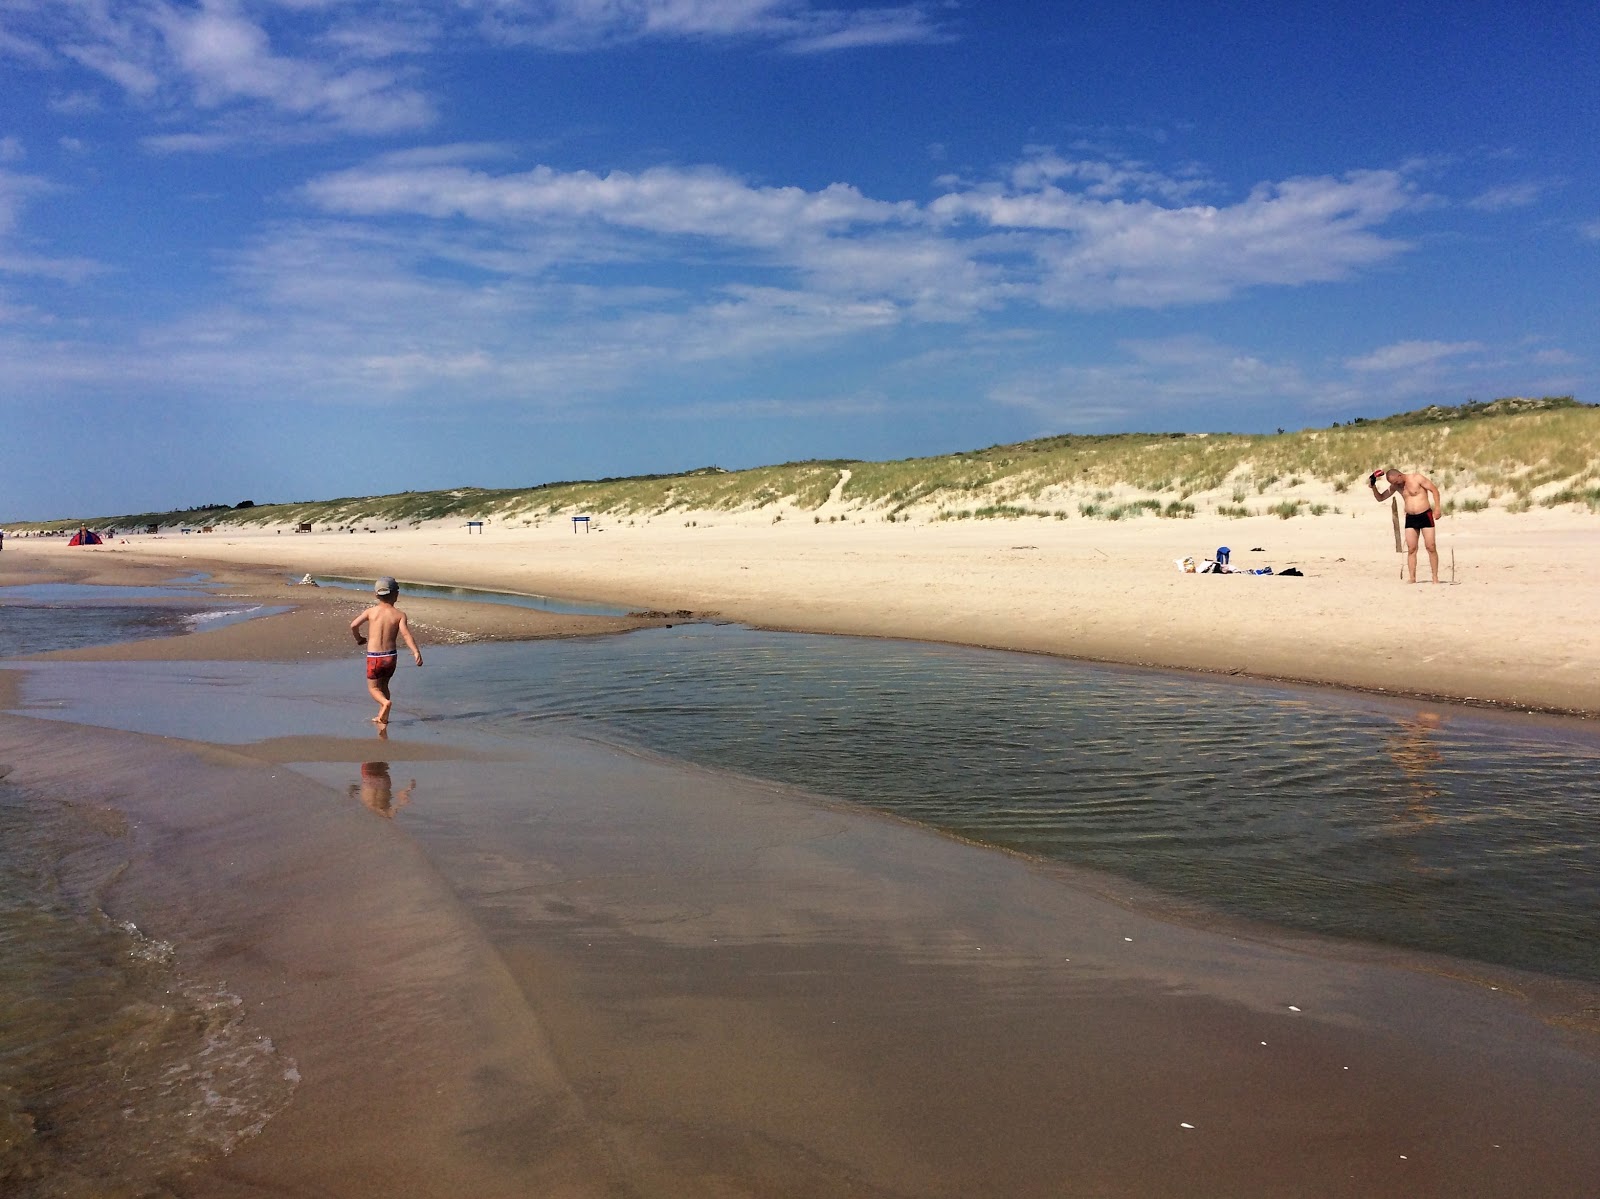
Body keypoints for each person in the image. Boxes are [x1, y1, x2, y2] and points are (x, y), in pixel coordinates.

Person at [349, 576, 423, 725]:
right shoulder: (399, 615)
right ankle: (384, 716)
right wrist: (415, 651)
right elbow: (406, 634)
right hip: (390, 657)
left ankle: (385, 704)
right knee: (384, 686)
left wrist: (359, 638)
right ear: (396, 595)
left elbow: (353, 625)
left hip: (374, 657)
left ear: (376, 595)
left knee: (373, 688)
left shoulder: (371, 612)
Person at [1369, 467, 1443, 583]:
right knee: (1411, 548)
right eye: (1392, 483)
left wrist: (1437, 508)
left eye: (1395, 482)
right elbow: (1380, 498)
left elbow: (1434, 490)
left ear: (1399, 475)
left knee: (1431, 546)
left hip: (1425, 515)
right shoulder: (1396, 486)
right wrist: (1373, 486)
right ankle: (1412, 578)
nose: (1395, 484)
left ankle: (1435, 577)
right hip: (1410, 518)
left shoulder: (1416, 478)